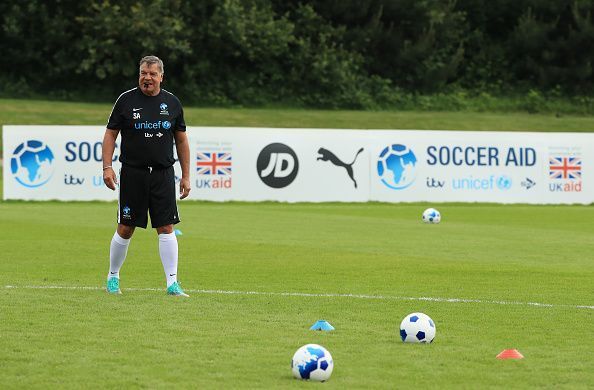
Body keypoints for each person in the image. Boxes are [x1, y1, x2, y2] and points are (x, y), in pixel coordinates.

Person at [102, 55, 191, 297]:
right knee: (125, 227)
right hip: (133, 174)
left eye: (152, 74)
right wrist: (107, 167)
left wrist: (186, 175)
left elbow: (181, 139)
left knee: (166, 226)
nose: (147, 78)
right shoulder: (126, 100)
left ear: (161, 76)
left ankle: (172, 283)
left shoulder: (172, 103)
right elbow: (110, 134)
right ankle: (113, 277)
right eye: (143, 73)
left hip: (162, 174)